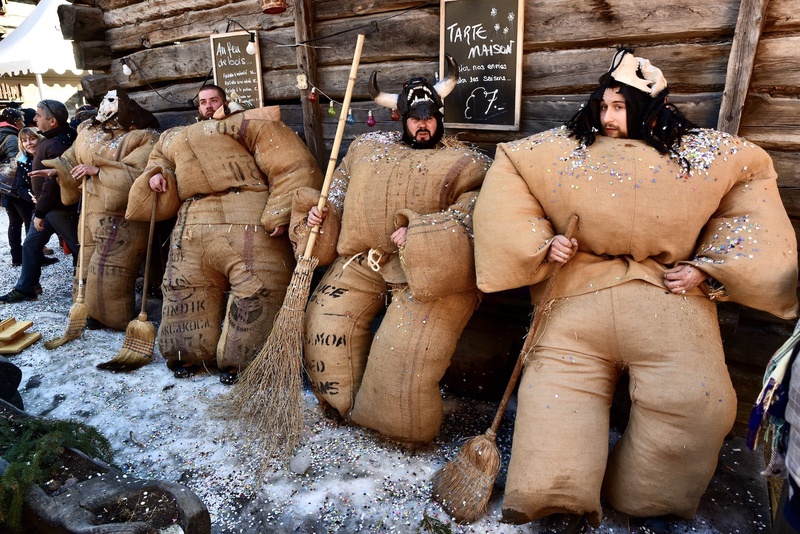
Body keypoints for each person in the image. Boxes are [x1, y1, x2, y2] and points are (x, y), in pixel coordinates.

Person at [472, 48, 799, 531]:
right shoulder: (562, 149)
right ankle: (558, 493)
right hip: (576, 300)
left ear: (649, 107)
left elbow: (751, 205)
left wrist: (709, 270)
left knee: (697, 406)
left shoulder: (707, 154)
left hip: (669, 299)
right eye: (603, 106)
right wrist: (544, 245)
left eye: (619, 107)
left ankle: (640, 494)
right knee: (554, 400)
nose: (607, 117)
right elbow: (509, 178)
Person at [299, 57, 491, 445]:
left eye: (429, 117)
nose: (423, 125)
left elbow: (474, 211)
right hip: (361, 260)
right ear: (400, 119)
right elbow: (336, 191)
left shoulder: (467, 162)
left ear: (439, 117)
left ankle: (392, 424)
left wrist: (421, 233)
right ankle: (343, 407)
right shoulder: (365, 149)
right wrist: (321, 213)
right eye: (415, 118)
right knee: (324, 323)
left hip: (426, 271)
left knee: (402, 361)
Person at [126, 95, 323, 384]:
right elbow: (159, 160)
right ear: (197, 108)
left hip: (248, 212)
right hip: (193, 217)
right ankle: (186, 353)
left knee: (256, 288)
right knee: (184, 285)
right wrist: (157, 174)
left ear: (226, 102)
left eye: (213, 99)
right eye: (202, 101)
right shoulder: (175, 137)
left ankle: (243, 360)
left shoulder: (248, 125)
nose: (208, 105)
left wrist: (280, 211)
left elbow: (291, 164)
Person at [42, 89, 159, 330]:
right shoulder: (87, 132)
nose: (107, 105)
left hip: (120, 214)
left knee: (110, 268)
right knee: (85, 260)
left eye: (113, 101)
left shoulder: (143, 137)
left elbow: (139, 171)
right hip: (89, 209)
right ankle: (85, 310)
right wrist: (60, 170)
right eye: (104, 99)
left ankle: (110, 316)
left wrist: (98, 171)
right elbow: (71, 158)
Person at [0, 100, 78, 304]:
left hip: (57, 208)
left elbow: (53, 184)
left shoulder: (57, 144)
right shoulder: (53, 139)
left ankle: (86, 288)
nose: (34, 118)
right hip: (48, 208)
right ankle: (26, 288)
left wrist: (40, 213)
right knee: (31, 245)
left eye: (38, 115)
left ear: (52, 121)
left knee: (80, 248)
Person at [4, 127, 41, 267]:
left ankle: (19, 257)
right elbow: (20, 184)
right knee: (29, 224)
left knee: (16, 223)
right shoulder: (22, 158)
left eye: (32, 138)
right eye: (25, 140)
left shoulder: (42, 154)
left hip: (10, 188)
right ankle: (31, 258)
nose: (29, 143)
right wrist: (31, 197)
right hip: (15, 191)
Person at [0, 108, 22, 264]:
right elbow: (15, 163)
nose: (23, 122)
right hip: (13, 186)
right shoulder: (11, 138)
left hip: (3, 187)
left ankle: (16, 256)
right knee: (25, 220)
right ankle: (32, 255)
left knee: (14, 221)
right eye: (21, 119)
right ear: (15, 121)